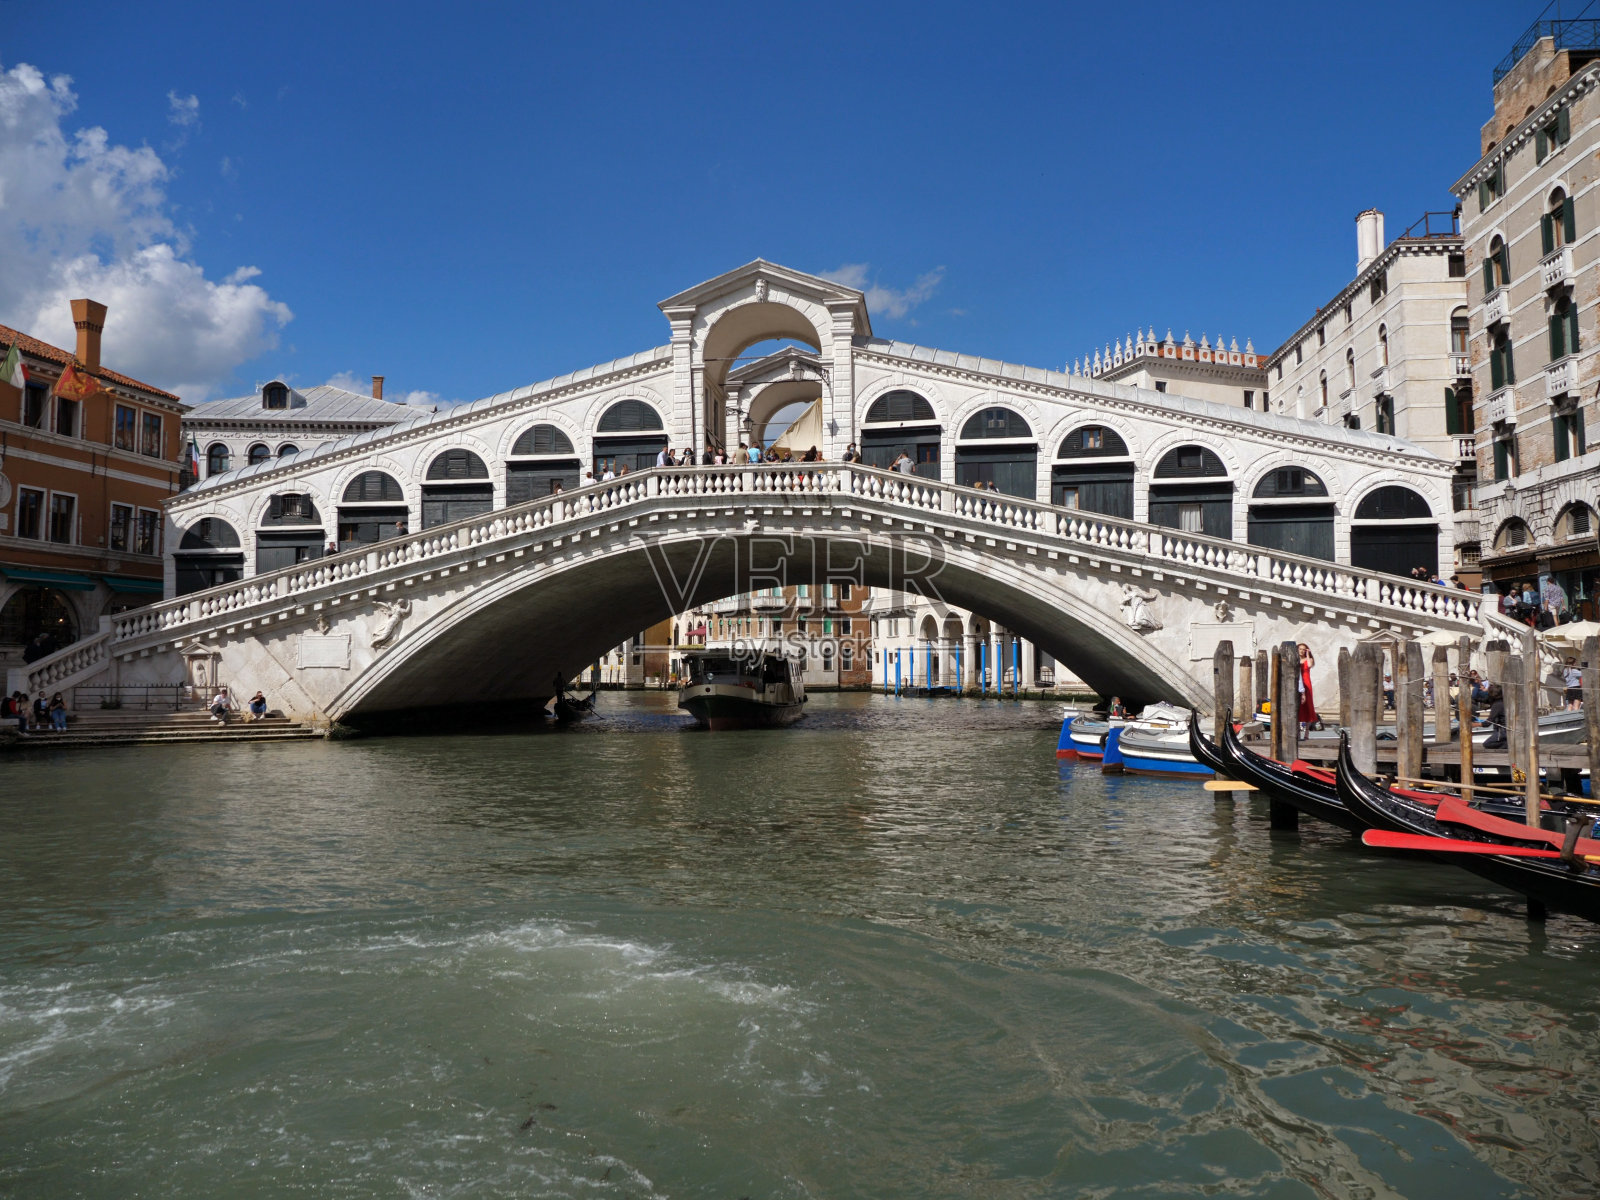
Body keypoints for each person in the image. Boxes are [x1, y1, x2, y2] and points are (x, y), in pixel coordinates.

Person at [1297, 642, 1321, 734]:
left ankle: (1307, 732)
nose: (1302, 651)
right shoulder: (1295, 659)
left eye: (1304, 649)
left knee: (1308, 706)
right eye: (1300, 649)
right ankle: (1298, 731)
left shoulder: (1309, 659)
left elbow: (1310, 665)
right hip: (1297, 683)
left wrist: (1308, 653)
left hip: (1306, 683)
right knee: (1298, 707)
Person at [1482, 683, 1507, 749]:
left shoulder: (1497, 705)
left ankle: (1508, 744)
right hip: (1502, 730)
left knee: (1487, 744)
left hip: (1502, 731)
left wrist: (1473, 724)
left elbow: (1487, 723)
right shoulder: (1502, 702)